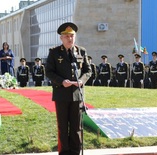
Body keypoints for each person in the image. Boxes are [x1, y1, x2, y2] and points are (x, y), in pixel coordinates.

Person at [45, 22, 92, 155]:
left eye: (72, 36)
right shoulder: (54, 52)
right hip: (61, 94)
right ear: (61, 38)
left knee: (77, 127)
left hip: (77, 94)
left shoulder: (81, 51)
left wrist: (81, 81)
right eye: (66, 36)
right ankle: (64, 152)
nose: (70, 39)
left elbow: (88, 71)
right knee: (63, 127)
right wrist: (61, 81)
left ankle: (75, 152)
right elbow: (48, 72)